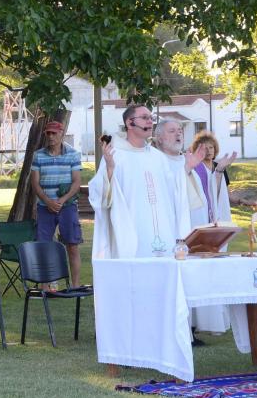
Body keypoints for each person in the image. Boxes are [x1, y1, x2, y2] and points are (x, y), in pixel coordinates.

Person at [89, 104, 192, 259]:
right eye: (144, 118)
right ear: (130, 123)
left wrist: (187, 168)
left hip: (163, 229)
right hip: (132, 231)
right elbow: (100, 196)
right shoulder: (115, 155)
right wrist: (109, 170)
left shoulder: (158, 157)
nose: (150, 122)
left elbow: (174, 193)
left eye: (151, 118)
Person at [30, 120, 83, 286]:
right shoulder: (38, 155)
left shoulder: (73, 154)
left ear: (62, 133)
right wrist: (47, 201)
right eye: (48, 133)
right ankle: (45, 287)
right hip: (45, 207)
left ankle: (75, 286)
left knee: (72, 245)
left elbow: (76, 182)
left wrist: (61, 200)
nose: (51, 136)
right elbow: (35, 184)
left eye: (54, 133)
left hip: (67, 207)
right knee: (43, 246)